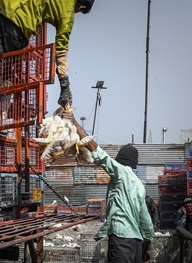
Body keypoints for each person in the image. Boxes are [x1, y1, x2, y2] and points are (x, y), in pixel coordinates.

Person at [0, 0, 97, 109]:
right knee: (8, 74)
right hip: (18, 25)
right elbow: (61, 52)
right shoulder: (67, 14)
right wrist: (65, 86)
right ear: (81, 7)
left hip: (1, 4)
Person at [62, 110, 154, 263]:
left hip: (121, 240)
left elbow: (100, 154)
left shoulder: (122, 173)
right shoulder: (139, 185)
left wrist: (75, 123)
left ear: (120, 161)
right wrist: (147, 246)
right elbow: (146, 220)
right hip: (136, 244)